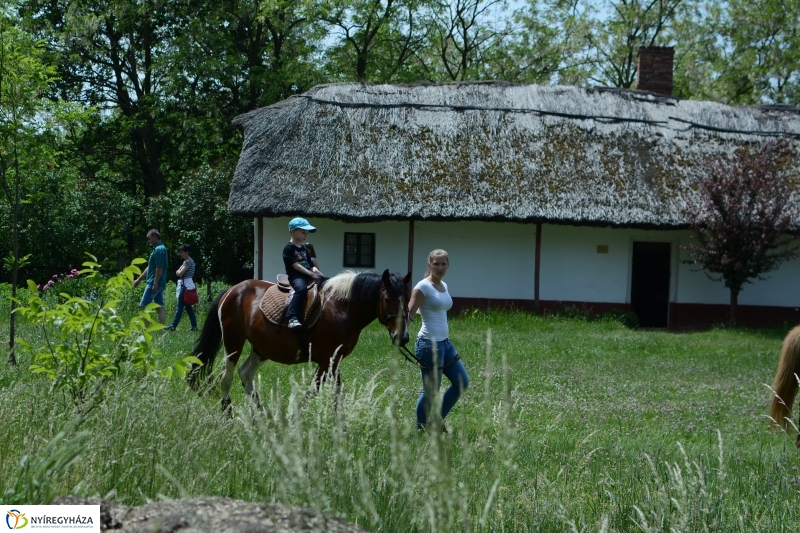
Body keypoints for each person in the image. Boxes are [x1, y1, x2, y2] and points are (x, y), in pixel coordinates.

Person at [407, 249, 469, 432]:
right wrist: (401, 332)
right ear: (429, 265)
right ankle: (420, 429)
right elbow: (410, 313)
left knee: (462, 382)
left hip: (445, 343)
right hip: (428, 344)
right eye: (436, 264)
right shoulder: (422, 287)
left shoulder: (444, 286)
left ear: (447, 265)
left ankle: (435, 422)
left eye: (443, 264)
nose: (440, 267)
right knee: (431, 391)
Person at [283, 217, 323, 329]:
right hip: (296, 276)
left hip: (307, 274)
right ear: (293, 231)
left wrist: (320, 274)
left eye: (307, 233)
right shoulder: (288, 248)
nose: (306, 235)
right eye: (303, 232)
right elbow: (295, 265)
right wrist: (311, 274)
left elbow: (311, 266)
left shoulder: (304, 249)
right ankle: (292, 317)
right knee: (301, 289)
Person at [133, 229, 168, 324]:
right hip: (158, 282)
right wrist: (139, 280)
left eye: (149, 239)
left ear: (154, 237)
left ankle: (146, 329)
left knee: (143, 305)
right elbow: (150, 267)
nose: (149, 241)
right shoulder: (158, 249)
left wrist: (155, 284)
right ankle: (160, 329)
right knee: (159, 306)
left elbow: (159, 267)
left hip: (155, 282)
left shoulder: (159, 250)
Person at [165, 244, 198, 332]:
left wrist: (179, 271)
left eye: (182, 252)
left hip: (185, 286)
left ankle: (173, 325)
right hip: (187, 284)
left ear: (187, 252)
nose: (180, 254)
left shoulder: (187, 262)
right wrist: (179, 271)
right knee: (188, 307)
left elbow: (179, 273)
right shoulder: (187, 261)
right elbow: (178, 272)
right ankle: (194, 326)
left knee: (180, 306)